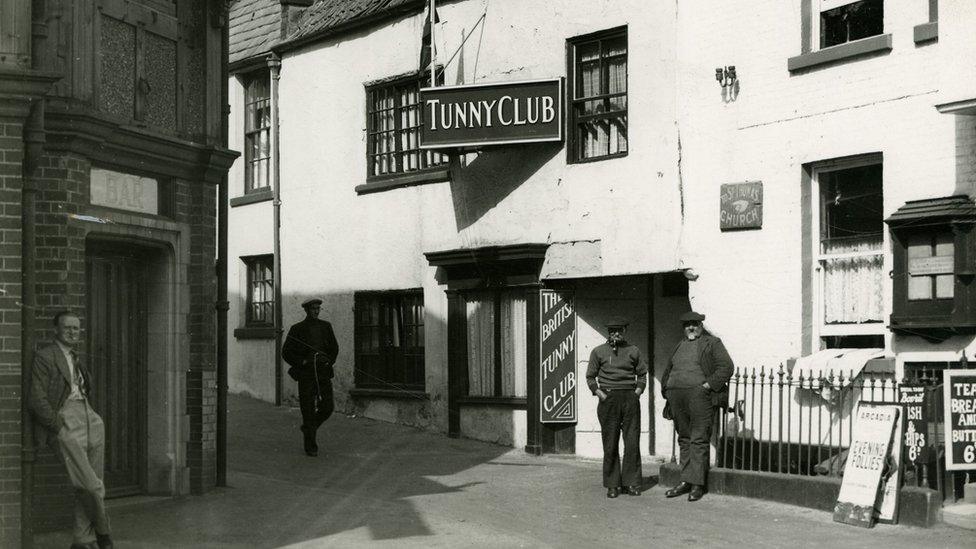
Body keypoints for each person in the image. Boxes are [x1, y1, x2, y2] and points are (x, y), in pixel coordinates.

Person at [29, 311, 113, 549]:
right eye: (67, 328)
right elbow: (37, 399)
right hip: (66, 421)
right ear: (56, 329)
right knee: (89, 484)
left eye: (76, 328)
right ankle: (104, 533)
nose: (72, 332)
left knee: (89, 481)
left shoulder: (76, 357)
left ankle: (83, 540)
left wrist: (93, 418)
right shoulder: (45, 357)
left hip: (91, 420)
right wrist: (58, 428)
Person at [661, 311, 733, 502]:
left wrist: (707, 386)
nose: (690, 328)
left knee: (699, 438)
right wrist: (667, 389)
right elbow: (669, 369)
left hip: (699, 396)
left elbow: (726, 367)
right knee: (684, 439)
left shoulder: (712, 343)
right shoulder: (680, 345)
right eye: (687, 325)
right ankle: (685, 481)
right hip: (677, 396)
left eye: (694, 324)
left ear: (701, 326)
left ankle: (697, 484)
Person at [586, 317, 648, 499]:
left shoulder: (633, 350)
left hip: (629, 398)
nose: (616, 334)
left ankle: (632, 483)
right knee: (610, 442)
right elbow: (590, 377)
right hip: (609, 399)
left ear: (624, 331)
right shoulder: (598, 352)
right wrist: (601, 394)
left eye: (619, 330)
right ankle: (613, 485)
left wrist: (636, 393)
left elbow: (642, 375)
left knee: (631, 442)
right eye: (612, 331)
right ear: (608, 333)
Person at [282, 298, 338, 457]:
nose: (316, 311)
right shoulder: (297, 329)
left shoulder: (326, 327)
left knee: (327, 407)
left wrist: (329, 362)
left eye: (318, 308)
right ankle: (311, 446)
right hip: (306, 374)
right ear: (306, 310)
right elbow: (286, 352)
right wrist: (302, 361)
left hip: (323, 372)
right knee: (307, 410)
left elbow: (334, 348)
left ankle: (308, 428)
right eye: (313, 308)